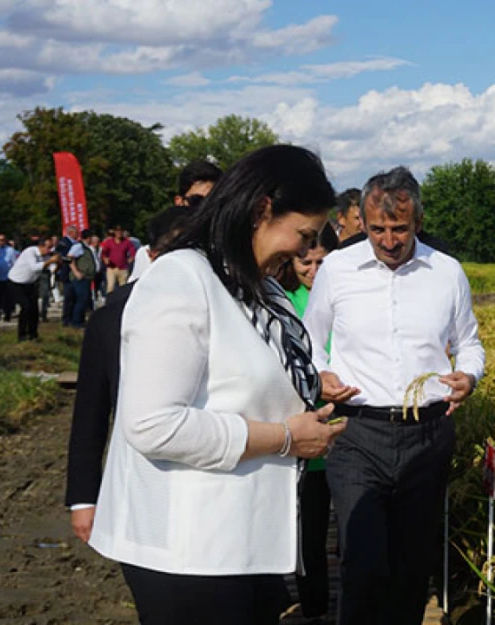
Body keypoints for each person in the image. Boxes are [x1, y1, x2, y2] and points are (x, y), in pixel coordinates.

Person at [88, 145, 348, 625]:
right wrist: (288, 437)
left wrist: (313, 388)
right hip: (189, 552)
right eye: (304, 234)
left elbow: (251, 377)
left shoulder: (261, 287)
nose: (308, 251)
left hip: (245, 543)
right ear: (262, 210)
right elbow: (152, 425)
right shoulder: (182, 280)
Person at [303, 166, 485, 625]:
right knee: (362, 561)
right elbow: (308, 339)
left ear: (417, 223)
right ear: (362, 222)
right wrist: (319, 376)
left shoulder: (446, 273)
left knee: (411, 564)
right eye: (377, 228)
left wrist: (470, 375)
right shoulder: (338, 270)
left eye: (399, 229)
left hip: (427, 433)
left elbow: (469, 342)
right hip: (356, 433)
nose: (388, 240)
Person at [65, 210, 185, 543]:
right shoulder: (112, 318)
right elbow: (90, 414)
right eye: (175, 253)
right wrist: (84, 497)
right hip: (137, 475)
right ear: (152, 255)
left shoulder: (235, 313)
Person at [277, 223, 338, 623]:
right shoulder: (282, 302)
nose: (313, 269)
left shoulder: (348, 298)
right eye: (305, 261)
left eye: (321, 261)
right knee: (311, 534)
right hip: (305, 432)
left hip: (349, 429)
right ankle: (315, 609)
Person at [131, 160, 222, 284]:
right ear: (179, 201)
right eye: (197, 201)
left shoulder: (231, 251)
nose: (205, 210)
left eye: (214, 202)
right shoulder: (153, 252)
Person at [7, 235, 60, 341]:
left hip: (30, 283)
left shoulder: (46, 256)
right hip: (16, 282)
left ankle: (33, 334)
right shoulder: (30, 252)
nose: (50, 250)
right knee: (25, 307)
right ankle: (21, 335)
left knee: (34, 310)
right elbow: (34, 267)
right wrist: (50, 261)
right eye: (48, 247)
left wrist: (58, 263)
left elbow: (51, 269)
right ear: (41, 246)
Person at [65, 230, 100, 327]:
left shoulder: (87, 248)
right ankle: (76, 321)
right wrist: (76, 272)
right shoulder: (78, 247)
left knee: (84, 300)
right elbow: (69, 258)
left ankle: (80, 319)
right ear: (88, 238)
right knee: (81, 299)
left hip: (87, 278)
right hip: (80, 278)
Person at [0, 233, 17, 323]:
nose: (0, 242)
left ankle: (7, 315)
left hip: (7, 277)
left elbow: (14, 263)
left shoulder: (10, 250)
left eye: (2, 240)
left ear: (5, 241)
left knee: (7, 298)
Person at [99, 226, 133, 294]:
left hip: (123, 268)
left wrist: (132, 258)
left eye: (120, 231)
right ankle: (109, 301)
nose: (119, 233)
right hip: (112, 268)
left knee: (123, 288)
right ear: (114, 232)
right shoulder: (109, 242)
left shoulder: (127, 242)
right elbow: (103, 253)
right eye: (117, 231)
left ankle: (122, 303)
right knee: (110, 286)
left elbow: (133, 251)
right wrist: (105, 259)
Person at [57, 225, 80, 325]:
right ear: (71, 233)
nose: (78, 234)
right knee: (68, 297)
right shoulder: (63, 243)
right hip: (67, 272)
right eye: (76, 232)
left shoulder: (77, 243)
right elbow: (60, 256)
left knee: (74, 297)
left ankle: (73, 317)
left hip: (74, 273)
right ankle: (66, 319)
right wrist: (70, 259)